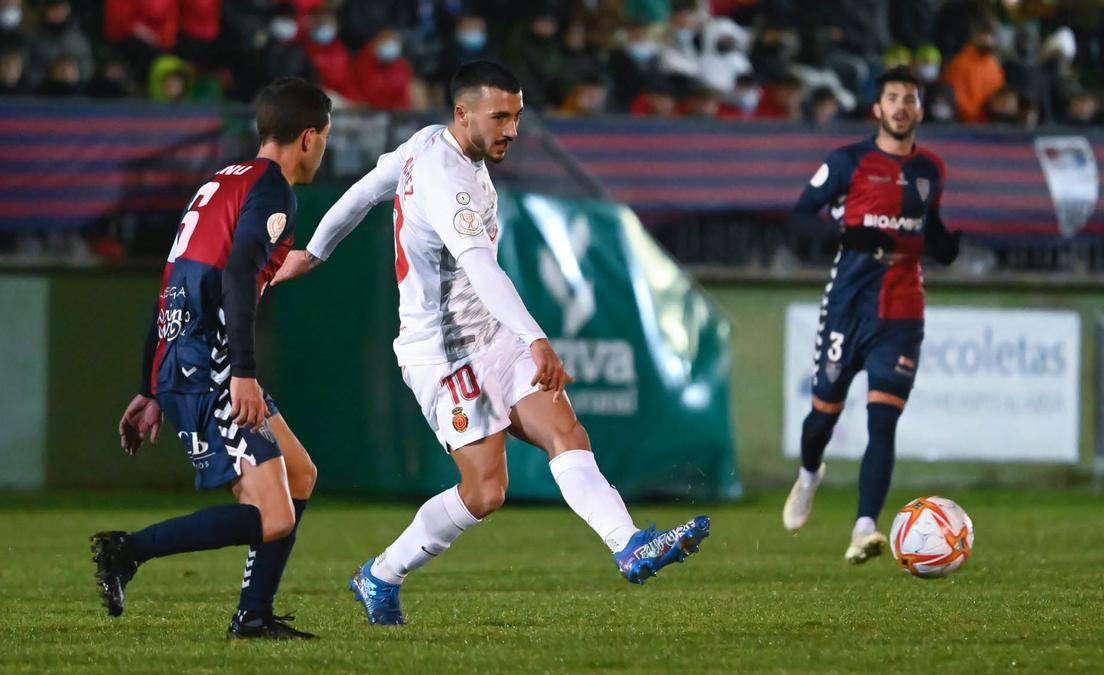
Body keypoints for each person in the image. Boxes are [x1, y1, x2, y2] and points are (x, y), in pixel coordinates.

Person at [271, 61, 710, 626]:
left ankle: (628, 546)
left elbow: (363, 192)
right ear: (463, 113)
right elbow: (480, 269)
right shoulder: (446, 177)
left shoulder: (427, 143)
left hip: (490, 336)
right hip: (442, 353)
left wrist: (317, 250)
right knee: (484, 491)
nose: (511, 129)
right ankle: (380, 573)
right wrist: (536, 338)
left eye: (517, 116)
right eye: (499, 116)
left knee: (565, 432)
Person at [92, 78, 330, 640]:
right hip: (211, 366)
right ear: (307, 137)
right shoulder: (273, 190)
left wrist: (151, 385)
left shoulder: (224, 181)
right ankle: (128, 550)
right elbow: (237, 276)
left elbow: (178, 277)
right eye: (324, 138)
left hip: (190, 359)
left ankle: (253, 615)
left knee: (300, 475)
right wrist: (242, 373)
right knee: (273, 516)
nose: (323, 149)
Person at [781, 67, 962, 564]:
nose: (902, 106)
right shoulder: (848, 162)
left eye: (911, 98)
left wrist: (943, 243)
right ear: (877, 109)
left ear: (920, 110)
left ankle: (865, 528)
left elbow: (930, 225)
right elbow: (799, 215)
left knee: (883, 422)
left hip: (902, 312)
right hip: (847, 306)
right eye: (892, 97)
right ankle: (810, 473)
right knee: (823, 414)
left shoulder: (931, 170)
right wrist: (848, 236)